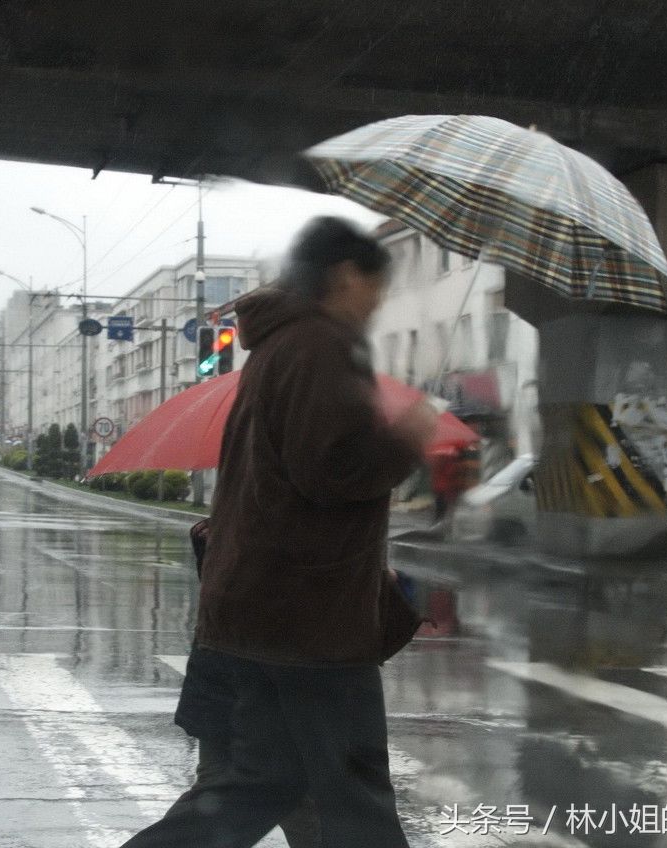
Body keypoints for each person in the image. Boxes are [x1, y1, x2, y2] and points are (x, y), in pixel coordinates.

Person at [121, 217, 437, 848]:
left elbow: (292, 484)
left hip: (267, 610)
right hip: (307, 624)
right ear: (347, 277)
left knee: (252, 790)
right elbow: (330, 471)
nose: (380, 302)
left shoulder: (279, 348)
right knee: (355, 803)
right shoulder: (320, 347)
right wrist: (407, 438)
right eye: (378, 285)